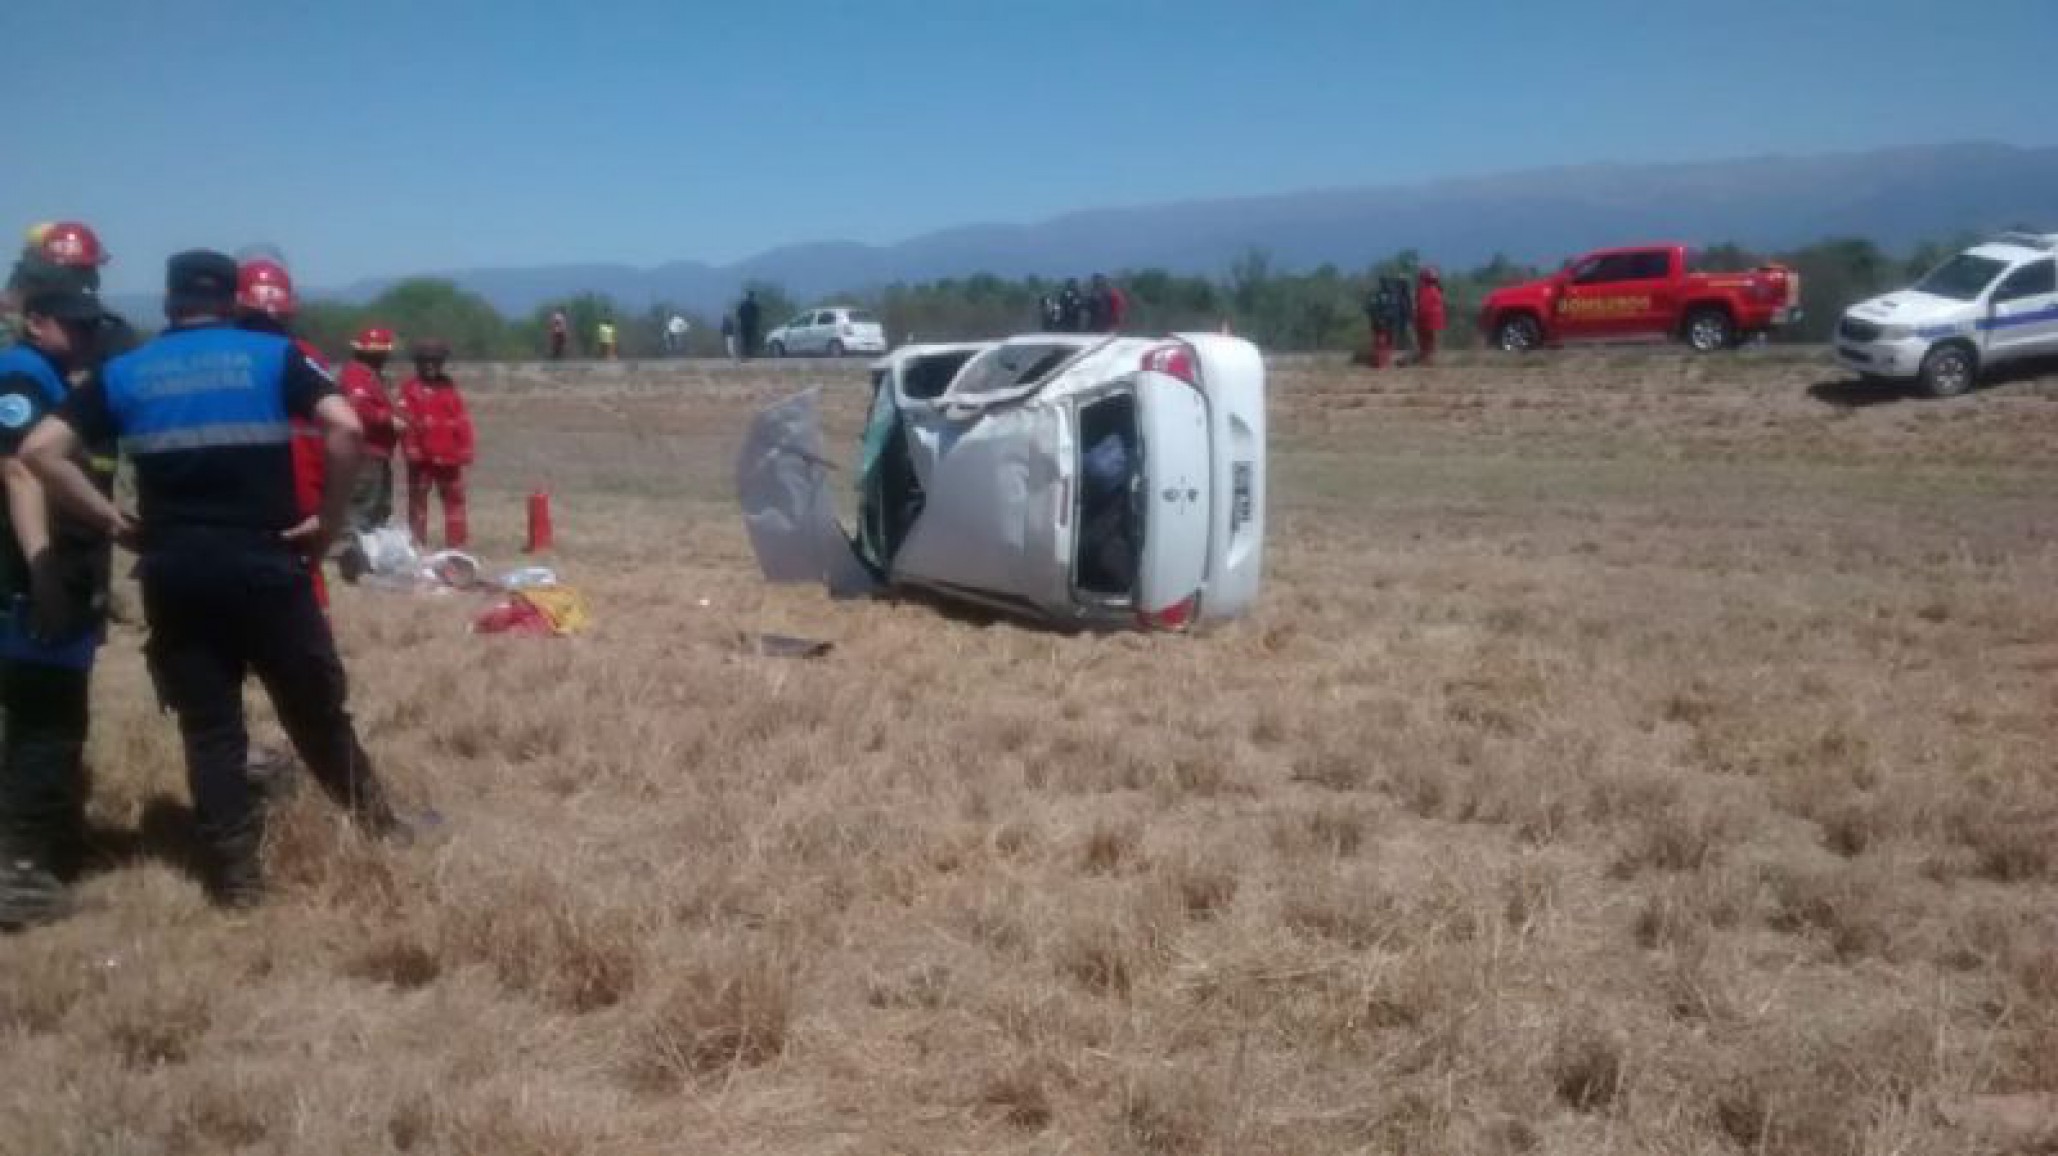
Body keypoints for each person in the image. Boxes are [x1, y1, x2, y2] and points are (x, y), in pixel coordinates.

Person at [21, 250, 404, 907]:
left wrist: (113, 522)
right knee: (314, 708)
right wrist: (326, 521)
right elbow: (345, 428)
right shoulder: (273, 357)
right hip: (266, 564)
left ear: (171, 303)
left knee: (210, 729)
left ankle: (236, 878)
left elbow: (39, 451)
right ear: (232, 301)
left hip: (175, 572)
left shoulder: (125, 370)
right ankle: (378, 826)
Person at [0, 255, 120, 928]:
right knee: (45, 719)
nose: (86, 336)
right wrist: (43, 570)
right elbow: (18, 472)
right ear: (36, 320)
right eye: (74, 325)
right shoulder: (21, 375)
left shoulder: (50, 375)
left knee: (50, 716)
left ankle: (46, 845)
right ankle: (20, 874)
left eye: (91, 325)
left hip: (55, 571)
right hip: (30, 579)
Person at [233, 257, 331, 607]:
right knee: (303, 586)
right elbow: (342, 429)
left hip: (234, 501)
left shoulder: (224, 357)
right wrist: (327, 508)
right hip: (299, 497)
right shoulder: (306, 357)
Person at [399, 339, 473, 549]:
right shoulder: (410, 389)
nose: (430, 365)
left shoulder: (449, 387)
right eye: (425, 361)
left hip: (449, 456)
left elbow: (461, 420)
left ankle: (457, 545)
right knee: (418, 501)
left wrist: (465, 448)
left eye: (435, 361)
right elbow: (405, 421)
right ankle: (417, 543)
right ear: (417, 363)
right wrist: (411, 448)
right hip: (422, 458)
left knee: (454, 501)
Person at [338, 326, 400, 535]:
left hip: (378, 453)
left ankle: (372, 548)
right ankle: (354, 550)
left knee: (379, 509)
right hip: (363, 453)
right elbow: (360, 408)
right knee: (361, 510)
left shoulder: (373, 377)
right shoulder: (355, 374)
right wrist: (389, 420)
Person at [1415, 267, 1447, 367]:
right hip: (1432, 319)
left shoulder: (1424, 290)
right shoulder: (1437, 290)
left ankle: (1428, 359)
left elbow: (1420, 305)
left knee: (1427, 340)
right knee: (1429, 340)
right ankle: (1429, 359)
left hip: (1428, 318)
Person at [736, 291, 761, 361]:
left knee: (744, 340)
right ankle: (750, 355)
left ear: (747, 296)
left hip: (743, 325)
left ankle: (743, 355)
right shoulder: (754, 305)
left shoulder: (742, 304)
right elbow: (757, 315)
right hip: (751, 325)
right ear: (753, 296)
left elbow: (738, 314)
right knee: (750, 340)